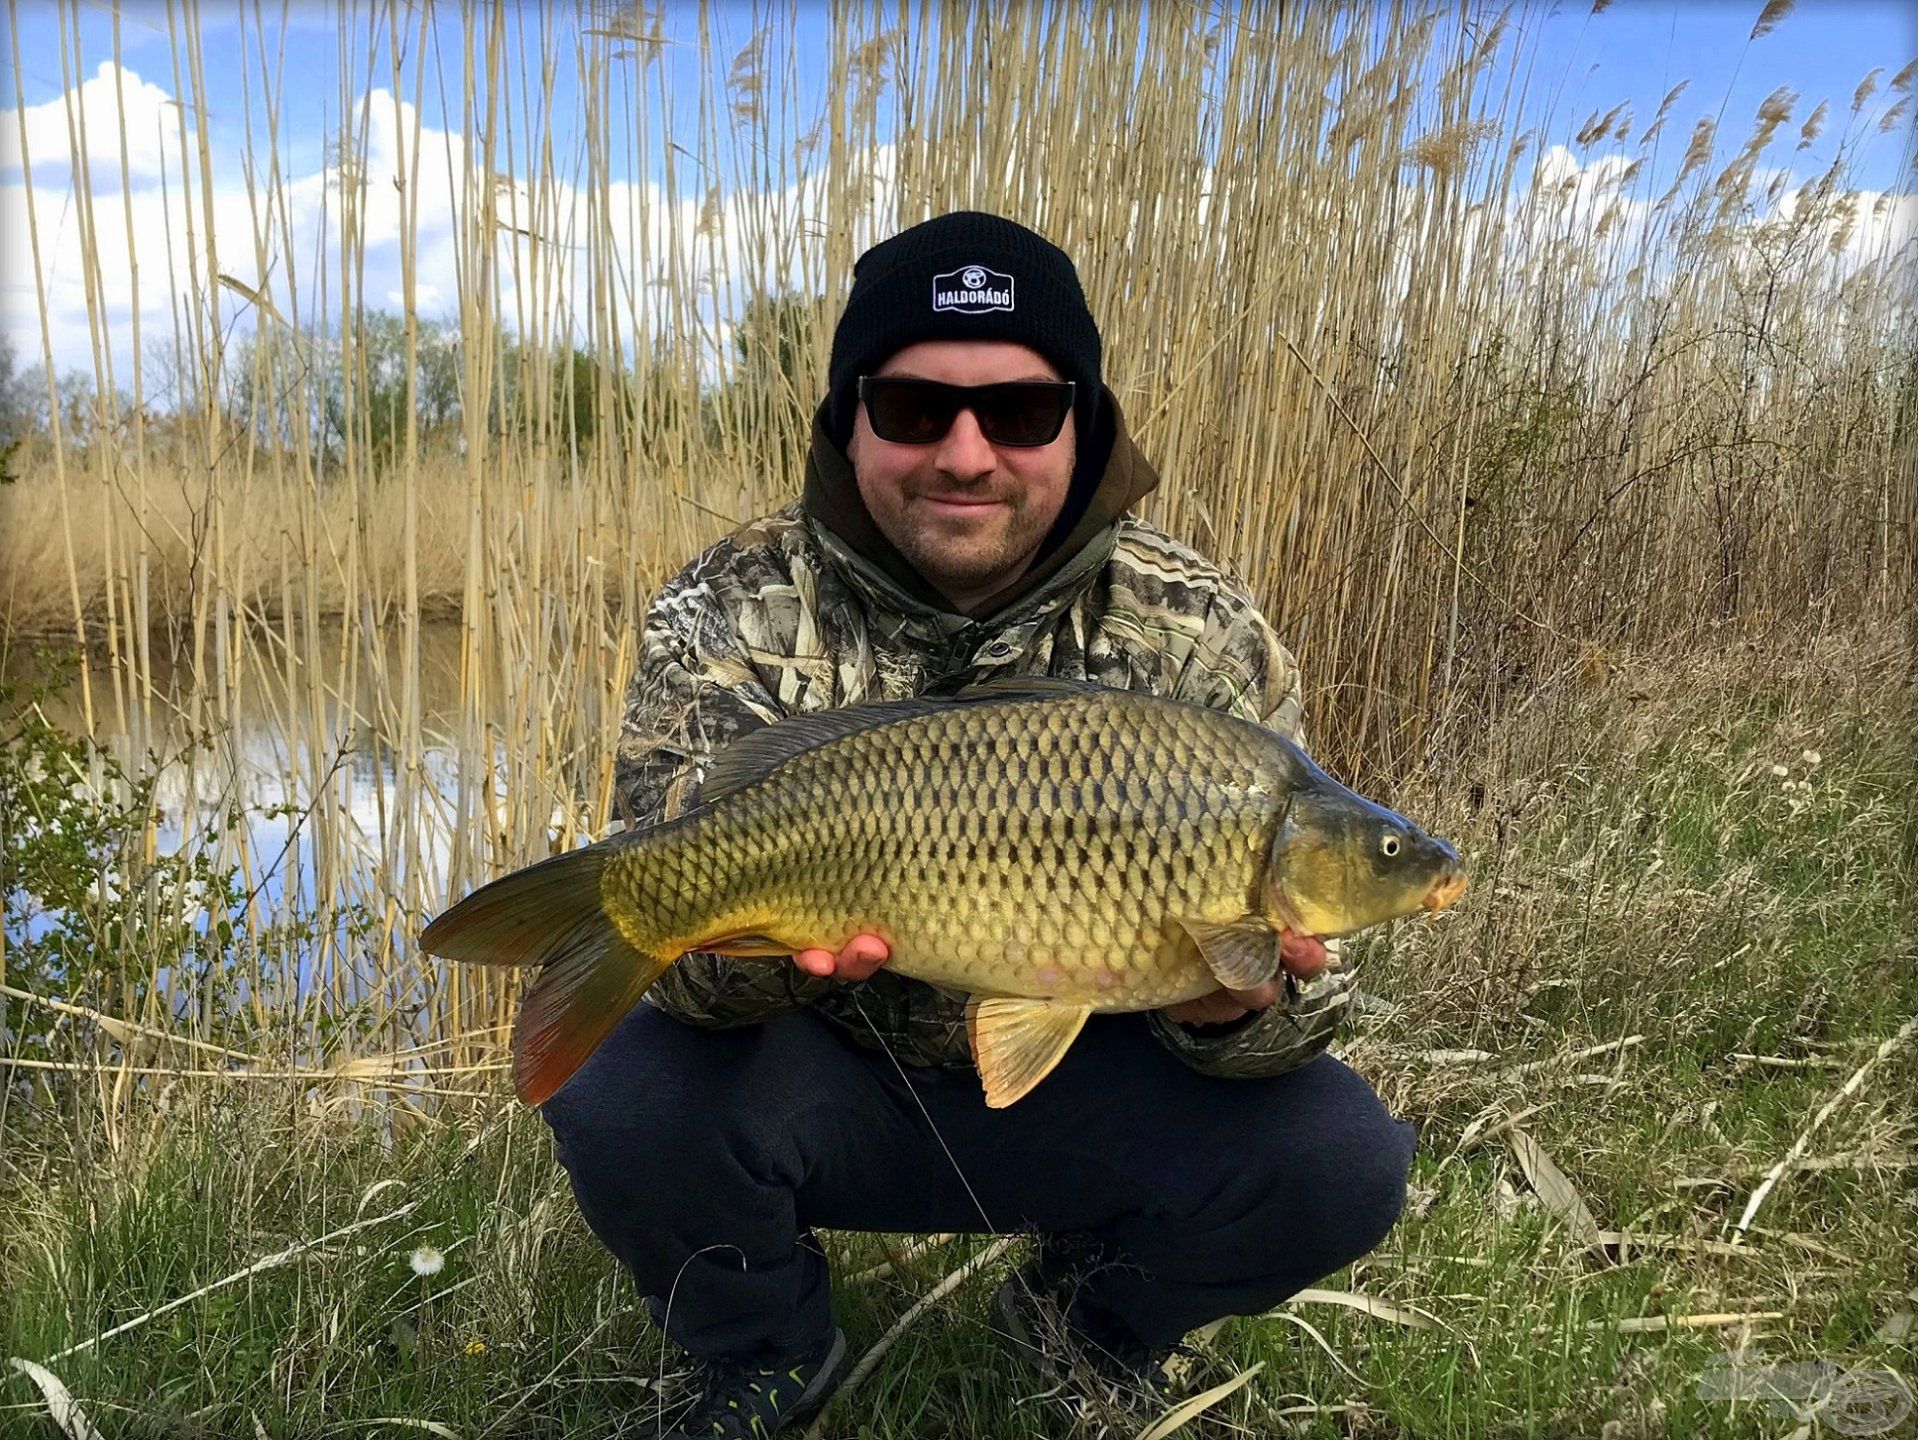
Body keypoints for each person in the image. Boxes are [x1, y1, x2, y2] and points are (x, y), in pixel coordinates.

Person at [542, 211, 1415, 1439]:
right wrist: (757, 963)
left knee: (1339, 1157)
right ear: (850, 420)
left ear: (1080, 425)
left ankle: (1085, 1325)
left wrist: (1233, 1012)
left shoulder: (1197, 627)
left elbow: (1316, 1014)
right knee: (623, 1087)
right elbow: (685, 994)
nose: (964, 453)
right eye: (912, 409)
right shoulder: (733, 600)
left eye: (1016, 411)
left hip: (1087, 1086)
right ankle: (767, 1351)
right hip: (826, 1071)